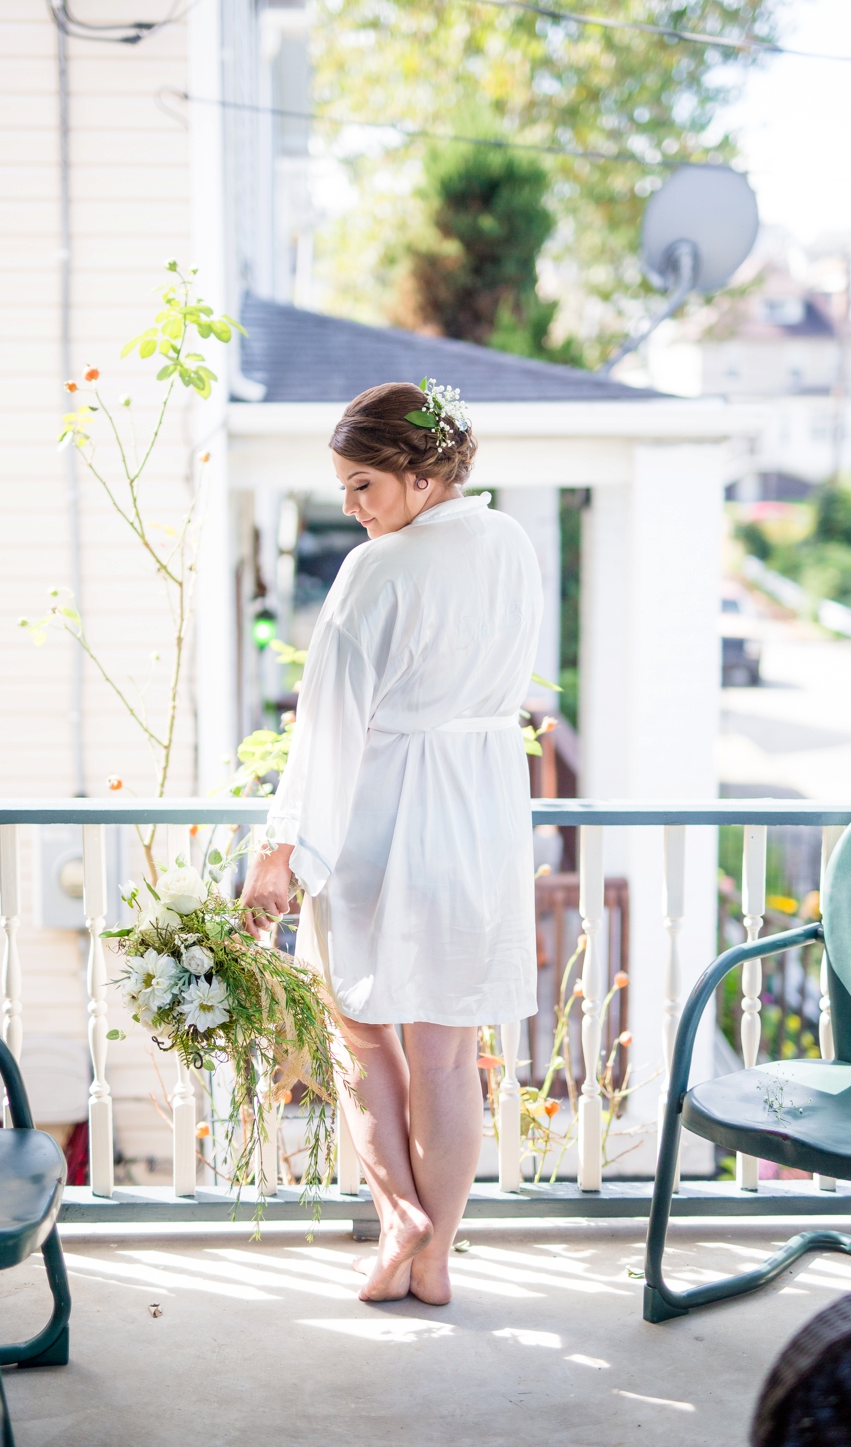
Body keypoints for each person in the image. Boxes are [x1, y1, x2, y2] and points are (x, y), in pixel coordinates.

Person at [240, 380, 540, 1307]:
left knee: (359, 1042)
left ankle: (399, 1220)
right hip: (481, 817)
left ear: (417, 473)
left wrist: (280, 848)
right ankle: (437, 1261)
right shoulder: (510, 544)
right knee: (450, 1055)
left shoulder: (379, 570)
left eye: (363, 484)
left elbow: (326, 723)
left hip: (386, 818)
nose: (352, 507)